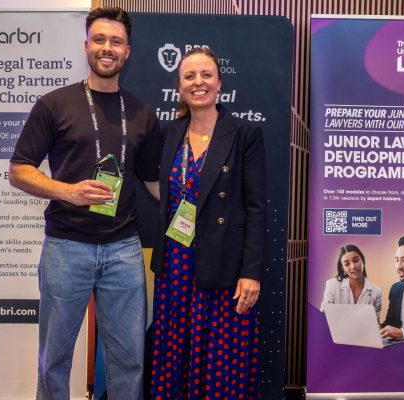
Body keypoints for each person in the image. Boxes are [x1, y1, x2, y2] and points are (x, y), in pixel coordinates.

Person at [8, 7, 162, 400]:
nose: (107, 48)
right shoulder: (54, 104)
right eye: (100, 39)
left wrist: (199, 204)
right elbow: (19, 170)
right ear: (86, 46)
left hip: (124, 249)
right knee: (54, 359)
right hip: (66, 247)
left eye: (116, 41)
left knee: (129, 361)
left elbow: (153, 180)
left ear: (127, 51)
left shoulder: (142, 113)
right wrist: (68, 191)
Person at [149, 47, 266, 399]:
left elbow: (256, 207)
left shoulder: (243, 133)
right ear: (179, 86)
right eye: (189, 76)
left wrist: (251, 273)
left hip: (224, 267)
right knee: (175, 354)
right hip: (175, 265)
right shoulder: (170, 133)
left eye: (206, 75)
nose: (198, 82)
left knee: (220, 362)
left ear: (219, 82)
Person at [319, 244, 382, 319]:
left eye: (356, 260)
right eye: (347, 264)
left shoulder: (376, 292)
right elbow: (323, 316)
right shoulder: (332, 285)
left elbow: (374, 322)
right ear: (343, 268)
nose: (353, 266)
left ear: (362, 261)